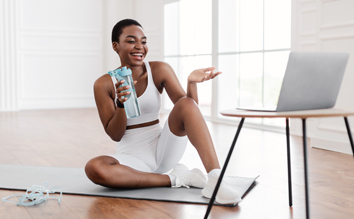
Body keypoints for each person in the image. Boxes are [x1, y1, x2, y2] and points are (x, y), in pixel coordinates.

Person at [84, 19, 241, 204]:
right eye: (131, 41)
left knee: (185, 103)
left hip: (164, 148)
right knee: (94, 168)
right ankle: (178, 178)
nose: (139, 47)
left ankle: (216, 180)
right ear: (115, 46)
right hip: (132, 158)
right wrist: (121, 104)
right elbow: (115, 135)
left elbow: (190, 110)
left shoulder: (159, 69)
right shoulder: (103, 84)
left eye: (143, 41)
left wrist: (191, 84)